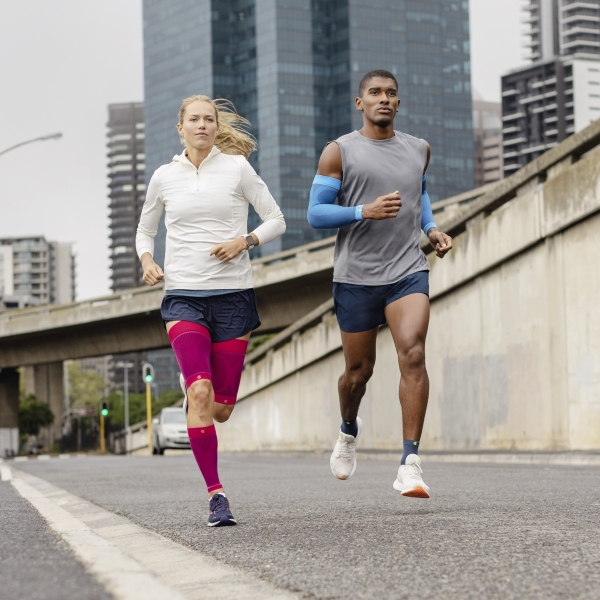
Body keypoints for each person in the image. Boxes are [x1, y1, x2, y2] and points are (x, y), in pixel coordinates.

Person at [136, 95, 285, 526]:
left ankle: (197, 382)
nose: (202, 125)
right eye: (194, 119)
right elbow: (146, 230)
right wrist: (148, 261)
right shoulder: (164, 177)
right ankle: (216, 495)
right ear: (180, 127)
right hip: (183, 294)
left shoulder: (237, 168)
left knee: (221, 407)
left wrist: (246, 241)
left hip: (234, 295)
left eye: (209, 119)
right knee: (199, 393)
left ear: (217, 127)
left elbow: (276, 219)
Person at [307, 70, 452, 497]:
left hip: (407, 269)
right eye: (375, 93)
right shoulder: (339, 152)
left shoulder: (418, 149)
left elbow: (419, 192)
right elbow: (315, 213)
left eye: (391, 93)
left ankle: (410, 462)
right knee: (358, 372)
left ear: (398, 103)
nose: (383, 99)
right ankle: (349, 430)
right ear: (360, 103)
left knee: (413, 353)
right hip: (355, 277)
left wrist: (431, 228)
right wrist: (361, 212)